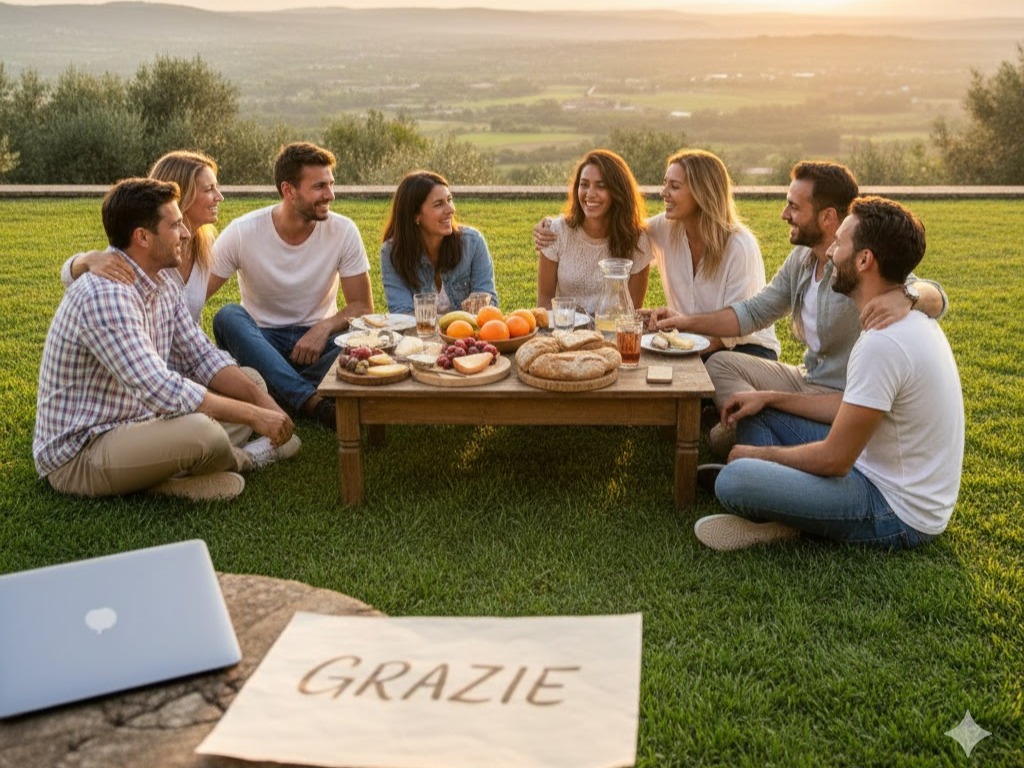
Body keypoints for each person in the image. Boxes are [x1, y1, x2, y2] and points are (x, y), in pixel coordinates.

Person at [693, 196, 964, 551]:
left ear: (864, 260)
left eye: (839, 244)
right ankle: (785, 498)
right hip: (866, 463)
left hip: (896, 509)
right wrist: (769, 397)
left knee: (734, 480)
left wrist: (761, 456)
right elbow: (847, 406)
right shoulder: (898, 321)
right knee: (758, 411)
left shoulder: (883, 342)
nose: (831, 252)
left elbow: (835, 460)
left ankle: (782, 509)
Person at [650, 161, 947, 456]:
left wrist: (906, 295)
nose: (784, 214)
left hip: (839, 399)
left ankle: (757, 431)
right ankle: (757, 425)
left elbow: (935, 296)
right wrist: (683, 321)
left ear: (827, 217)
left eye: (794, 207)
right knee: (720, 366)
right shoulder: (802, 259)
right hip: (806, 379)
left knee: (726, 438)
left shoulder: (855, 265)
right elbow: (753, 312)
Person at [34, 178, 299, 502]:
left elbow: (200, 355)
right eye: (175, 225)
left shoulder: (164, 282)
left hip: (143, 422)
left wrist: (261, 402)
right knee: (204, 433)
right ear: (143, 237)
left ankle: (164, 477)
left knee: (249, 383)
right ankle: (246, 459)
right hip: (84, 450)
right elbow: (159, 389)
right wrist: (254, 416)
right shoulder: (105, 295)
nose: (186, 233)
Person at [208, 142, 373, 429]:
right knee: (227, 317)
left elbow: (362, 306)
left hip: (321, 346)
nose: (330, 195)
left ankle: (278, 391)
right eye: (319, 186)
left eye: (330, 184)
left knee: (366, 341)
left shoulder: (343, 230)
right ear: (288, 190)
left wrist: (323, 328)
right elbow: (197, 292)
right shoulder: (243, 231)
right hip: (262, 343)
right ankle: (314, 402)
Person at [643, 149, 779, 360]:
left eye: (674, 186)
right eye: (665, 183)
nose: (663, 192)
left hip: (747, 349)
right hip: (692, 344)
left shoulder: (739, 246)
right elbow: (626, 235)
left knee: (708, 366)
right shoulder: (665, 227)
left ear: (702, 193)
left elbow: (738, 327)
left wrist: (679, 342)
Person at [60, 150, 225, 323]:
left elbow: (190, 324)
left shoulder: (206, 244)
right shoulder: (150, 246)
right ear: (181, 194)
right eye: (209, 189)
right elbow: (74, 278)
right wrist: (87, 260)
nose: (219, 197)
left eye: (216, 187)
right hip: (137, 336)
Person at [535, 149, 651, 315]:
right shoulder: (556, 232)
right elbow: (545, 302)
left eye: (601, 186)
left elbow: (632, 311)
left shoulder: (637, 240)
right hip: (565, 328)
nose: (590, 194)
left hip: (612, 329)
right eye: (584, 185)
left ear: (618, 192)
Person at [380, 170, 498, 314]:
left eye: (449, 200)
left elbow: (489, 304)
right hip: (418, 330)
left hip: (468, 329)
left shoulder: (472, 243)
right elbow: (401, 313)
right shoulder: (393, 252)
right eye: (438, 204)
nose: (450, 209)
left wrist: (479, 306)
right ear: (415, 215)